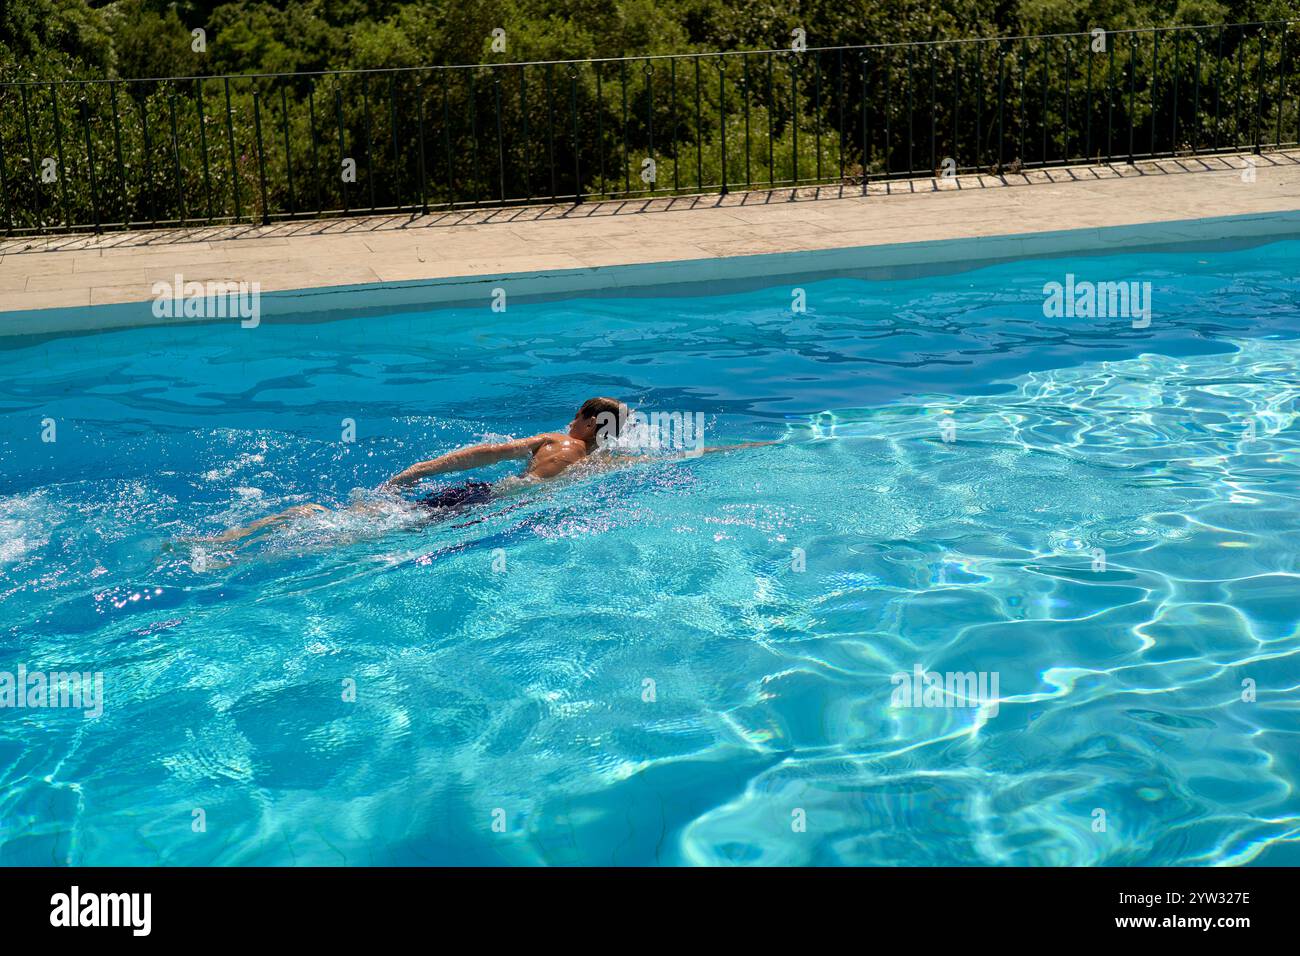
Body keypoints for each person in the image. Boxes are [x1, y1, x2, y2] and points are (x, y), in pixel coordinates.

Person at [201, 397, 772, 545]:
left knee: (350, 522)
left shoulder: (552, 440)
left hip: (479, 496)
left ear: (581, 418)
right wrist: (739, 447)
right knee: (354, 530)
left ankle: (251, 530)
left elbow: (482, 453)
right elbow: (684, 457)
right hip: (490, 510)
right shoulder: (608, 463)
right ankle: (259, 532)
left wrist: (416, 470)